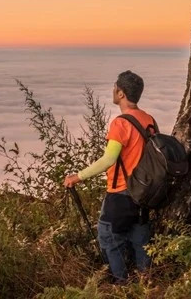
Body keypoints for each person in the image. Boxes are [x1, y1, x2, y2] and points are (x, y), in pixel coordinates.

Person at [63, 70, 155, 283]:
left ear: (121, 93)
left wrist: (77, 176)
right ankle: (146, 284)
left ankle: (120, 285)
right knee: (140, 239)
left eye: (115, 87)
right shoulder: (148, 120)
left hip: (121, 192)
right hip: (144, 192)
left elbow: (109, 159)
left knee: (108, 238)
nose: (113, 90)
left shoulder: (121, 123)